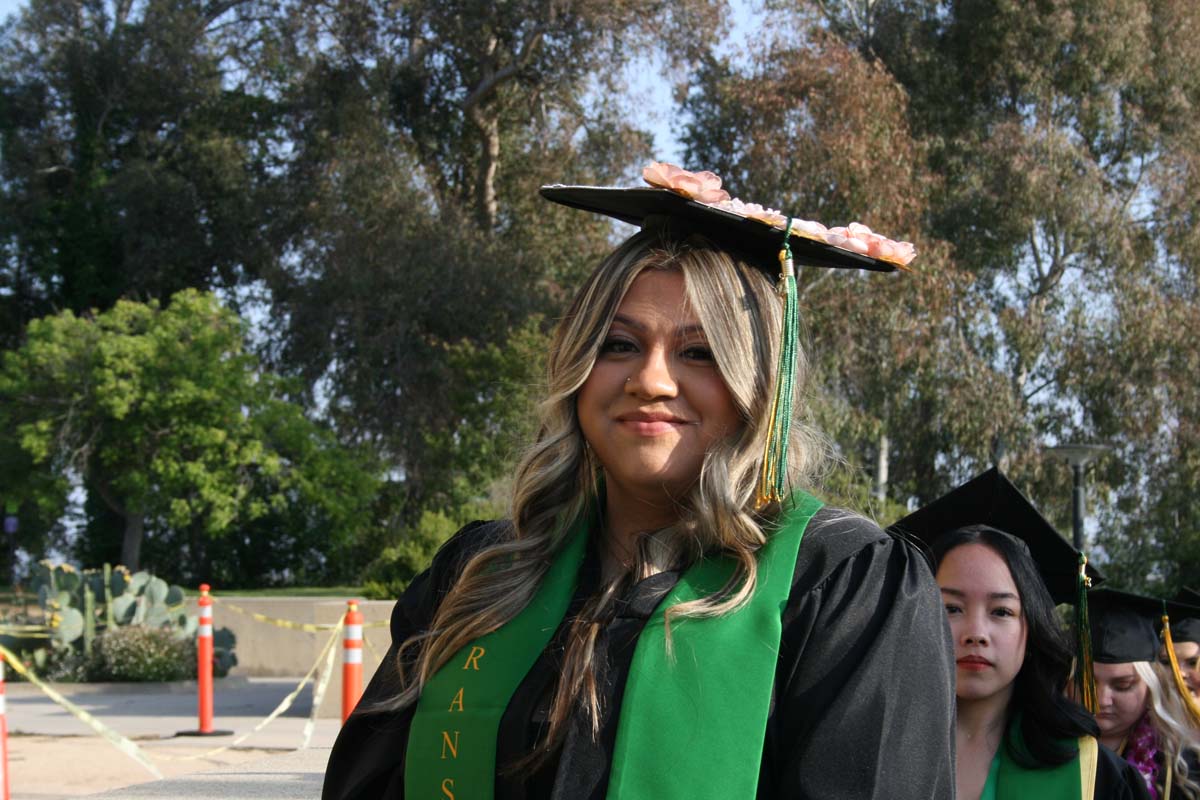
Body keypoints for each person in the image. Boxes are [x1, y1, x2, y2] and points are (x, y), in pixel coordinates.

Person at [321, 163, 955, 799]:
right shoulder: (482, 576)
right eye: (619, 345)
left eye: (699, 352)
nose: (650, 381)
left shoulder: (843, 588)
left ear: (761, 385)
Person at [891, 467, 1151, 800]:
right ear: (917, 617)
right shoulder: (869, 747)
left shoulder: (1094, 775)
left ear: (1032, 630)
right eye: (951, 608)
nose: (976, 634)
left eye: (1001, 612)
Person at [1090, 588, 1200, 798]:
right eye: (1088, 683)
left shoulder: (1181, 769)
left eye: (1123, 685)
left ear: (1152, 687)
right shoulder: (1042, 750)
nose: (1101, 699)